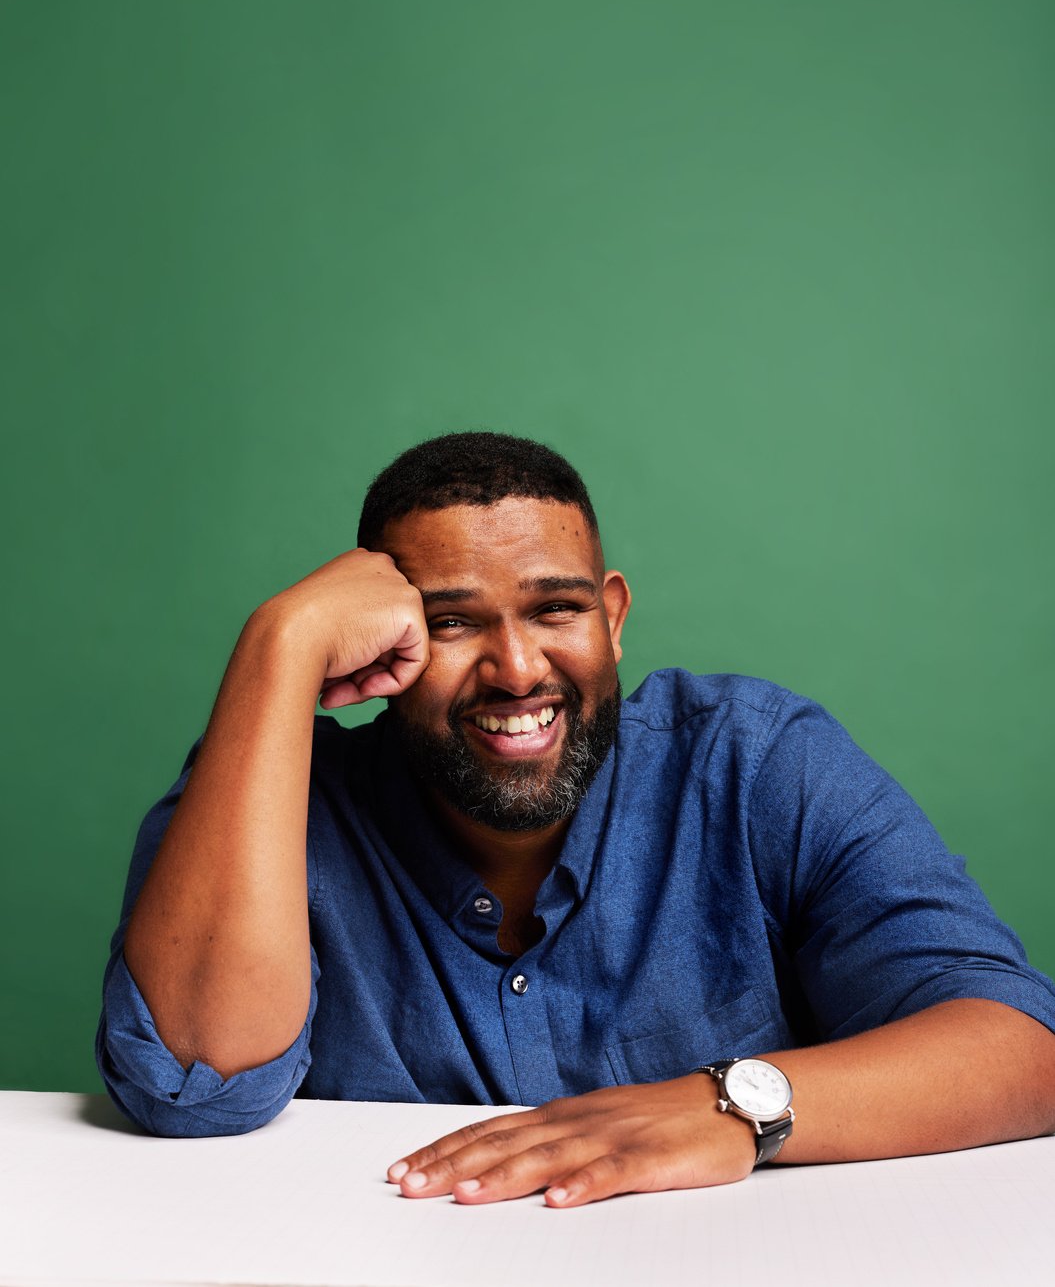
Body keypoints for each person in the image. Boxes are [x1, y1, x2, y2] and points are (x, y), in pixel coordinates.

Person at [97, 431, 1055, 1208]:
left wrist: (726, 1104)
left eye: (555, 609)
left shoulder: (756, 762)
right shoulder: (274, 799)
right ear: (381, 638)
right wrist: (282, 641)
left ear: (613, 618)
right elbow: (194, 1086)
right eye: (453, 622)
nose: (517, 670)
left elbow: (1020, 1046)